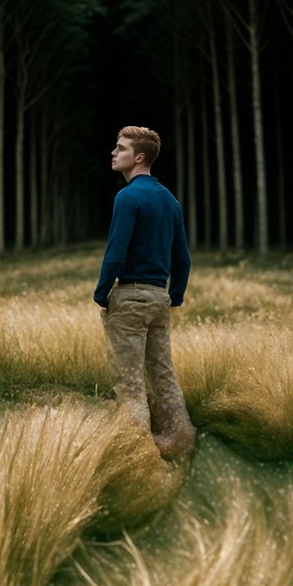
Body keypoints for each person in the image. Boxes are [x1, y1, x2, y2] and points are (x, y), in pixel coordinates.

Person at [93, 126, 196, 460]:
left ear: (139, 157)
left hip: (130, 298)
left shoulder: (127, 197)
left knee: (129, 383)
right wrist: (174, 296)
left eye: (120, 148)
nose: (113, 153)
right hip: (158, 300)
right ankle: (181, 442)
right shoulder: (171, 201)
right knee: (164, 376)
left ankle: (137, 457)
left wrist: (102, 293)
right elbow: (183, 258)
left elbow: (116, 252)